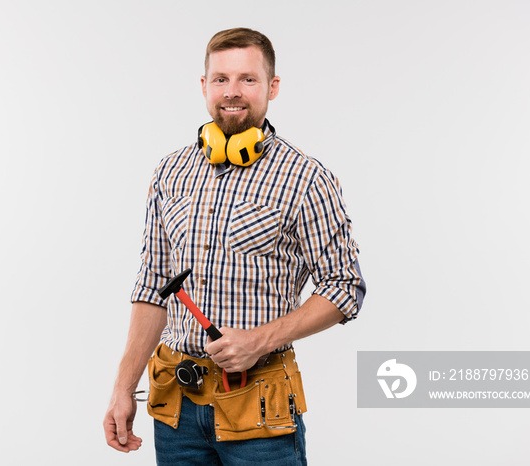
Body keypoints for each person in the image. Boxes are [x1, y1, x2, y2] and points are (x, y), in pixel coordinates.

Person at [103, 27, 366, 465]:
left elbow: (345, 287)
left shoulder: (305, 178)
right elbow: (153, 286)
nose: (233, 92)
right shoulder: (171, 173)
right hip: (176, 409)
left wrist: (259, 339)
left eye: (248, 79)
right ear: (204, 86)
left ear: (272, 87)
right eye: (221, 79)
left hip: (260, 410)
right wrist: (122, 388)